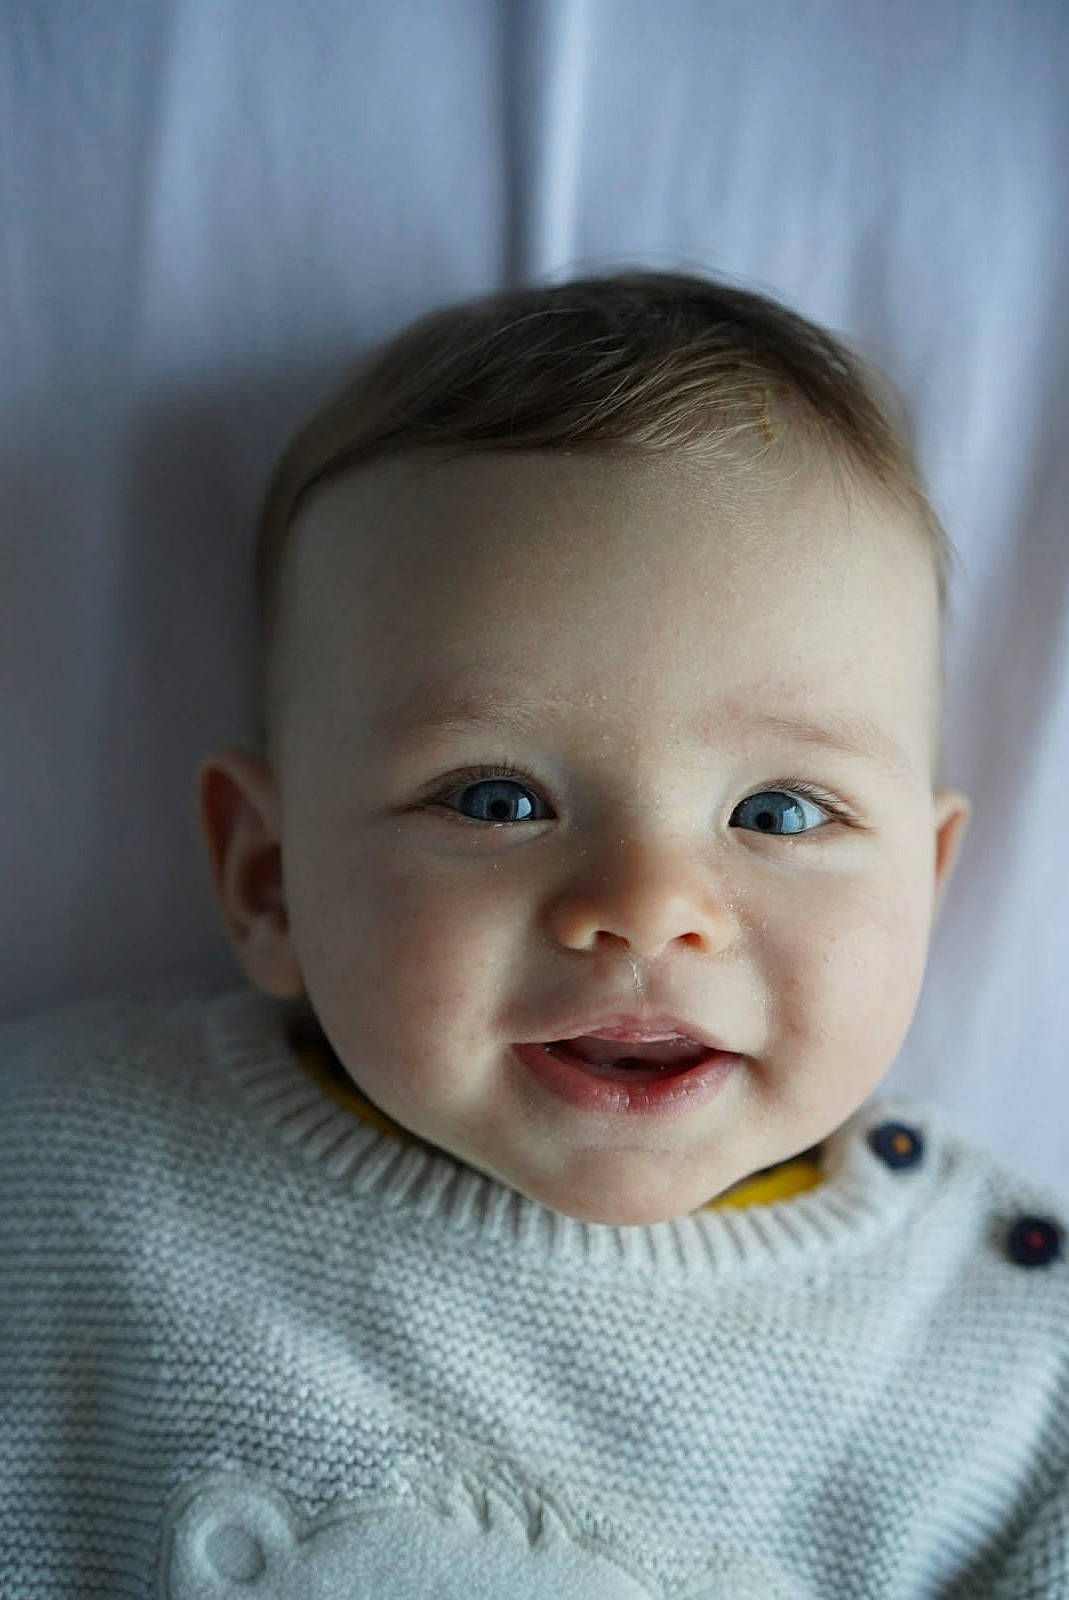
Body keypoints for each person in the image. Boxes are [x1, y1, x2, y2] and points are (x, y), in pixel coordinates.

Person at [2, 271, 1065, 1597]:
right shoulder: (67, 1183)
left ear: (927, 877)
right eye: (497, 799)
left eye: (778, 810)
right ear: (269, 878)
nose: (647, 903)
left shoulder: (1013, 1367)